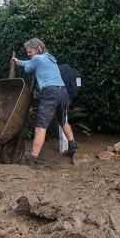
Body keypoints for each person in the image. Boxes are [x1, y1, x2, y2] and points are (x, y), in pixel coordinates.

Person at [12, 39, 77, 167]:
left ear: (37, 48)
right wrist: (18, 62)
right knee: (63, 121)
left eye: (30, 51)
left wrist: (22, 64)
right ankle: (72, 145)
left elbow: (28, 68)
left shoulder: (37, 59)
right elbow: (30, 62)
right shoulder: (48, 58)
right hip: (63, 91)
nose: (29, 54)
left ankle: (33, 159)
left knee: (41, 127)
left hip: (51, 92)